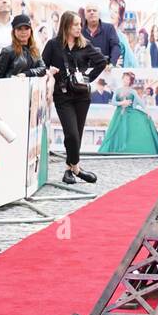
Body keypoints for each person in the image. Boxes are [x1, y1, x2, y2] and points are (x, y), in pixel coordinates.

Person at [43, 10, 108, 184]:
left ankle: (68, 170)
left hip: (81, 95)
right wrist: (50, 73)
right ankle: (77, 168)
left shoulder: (85, 45)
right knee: (71, 133)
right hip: (62, 95)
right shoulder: (53, 45)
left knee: (77, 134)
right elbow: (42, 66)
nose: (80, 27)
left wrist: (88, 78)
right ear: (66, 26)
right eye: (76, 24)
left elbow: (102, 61)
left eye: (81, 24)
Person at [98, 71, 158, 155]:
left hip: (130, 114)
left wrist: (147, 111)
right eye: (125, 78)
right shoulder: (118, 90)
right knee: (115, 131)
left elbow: (140, 102)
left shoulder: (132, 91)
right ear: (122, 79)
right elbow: (113, 102)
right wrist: (122, 103)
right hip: (119, 114)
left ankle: (128, 149)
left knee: (128, 132)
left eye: (128, 79)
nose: (126, 80)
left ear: (130, 81)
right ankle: (116, 149)